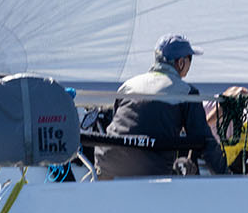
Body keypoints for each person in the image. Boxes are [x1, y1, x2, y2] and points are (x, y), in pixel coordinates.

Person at [95, 34, 229, 179]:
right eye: (190, 59)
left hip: (105, 164)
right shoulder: (186, 92)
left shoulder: (128, 85)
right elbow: (205, 140)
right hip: (150, 172)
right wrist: (227, 176)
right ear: (181, 63)